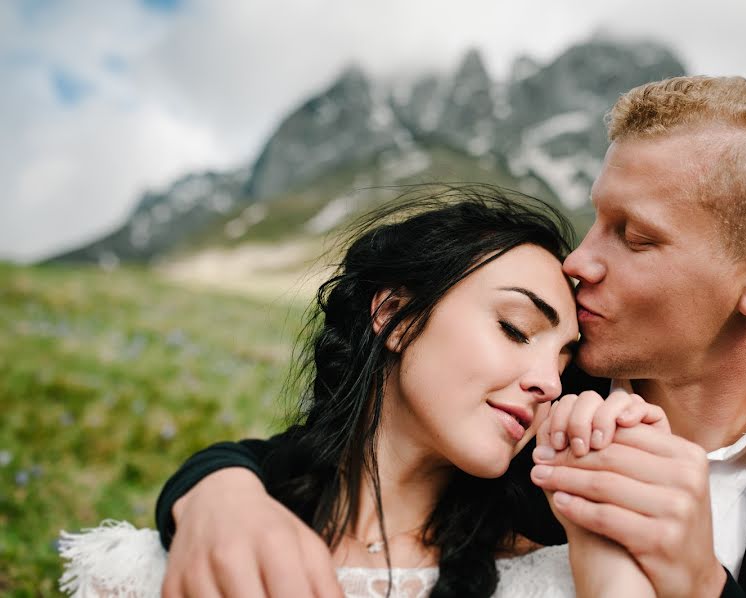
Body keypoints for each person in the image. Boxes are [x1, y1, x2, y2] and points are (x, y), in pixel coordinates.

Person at [150, 76, 746, 598]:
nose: (579, 262)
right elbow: (322, 460)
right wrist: (218, 493)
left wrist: (703, 588)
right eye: (596, 218)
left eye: (632, 237)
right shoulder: (522, 410)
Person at [59, 187, 670, 597]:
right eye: (516, 328)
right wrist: (215, 491)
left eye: (565, 357)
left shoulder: (553, 574)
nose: (549, 381)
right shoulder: (188, 552)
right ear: (397, 315)